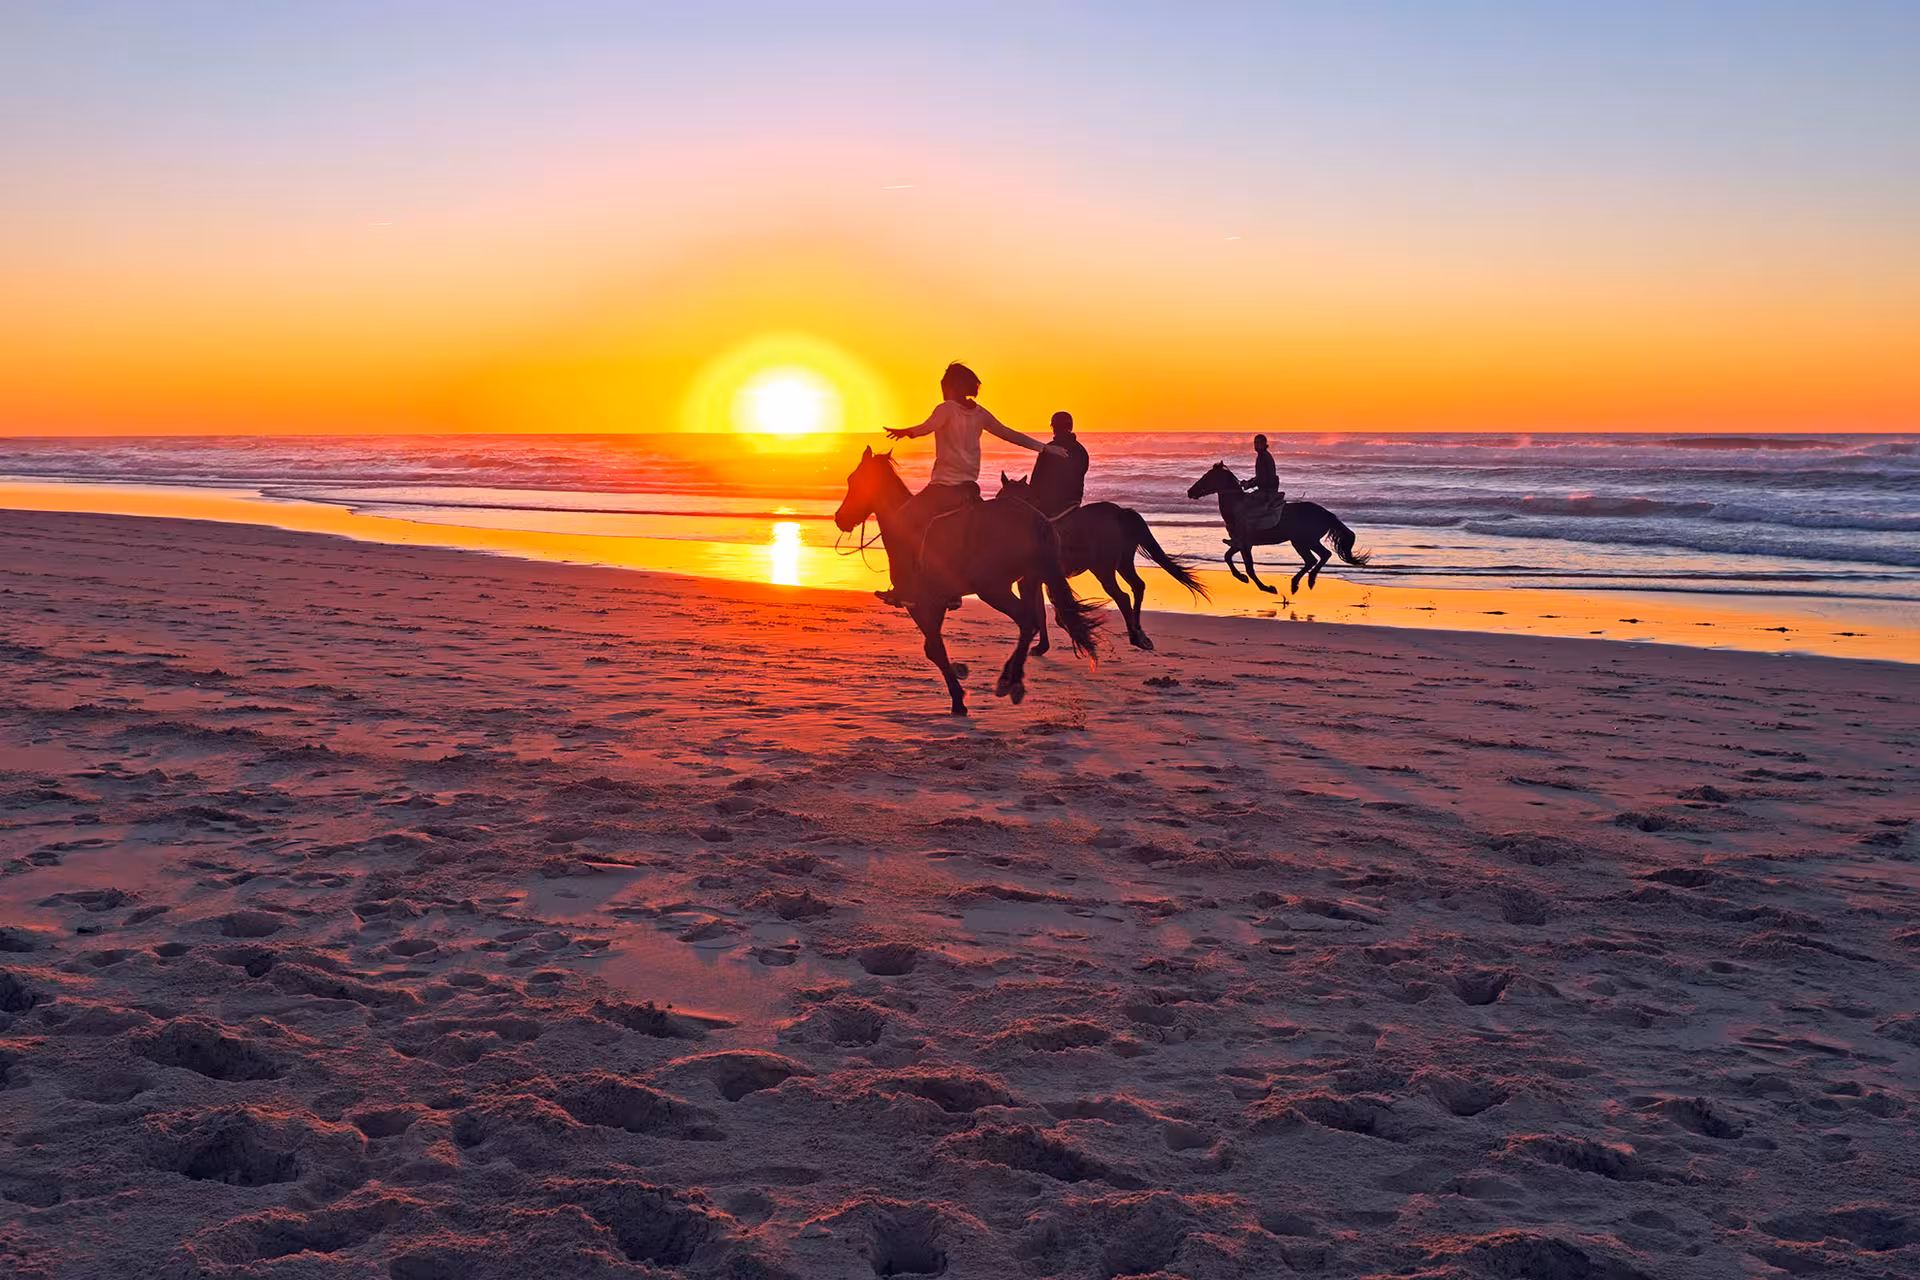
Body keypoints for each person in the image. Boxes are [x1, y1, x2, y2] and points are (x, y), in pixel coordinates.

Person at [877, 362, 1067, 608]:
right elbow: (1009, 434)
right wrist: (1045, 448)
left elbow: (927, 427)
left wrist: (907, 432)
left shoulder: (946, 408)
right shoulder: (980, 414)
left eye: (944, 388)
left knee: (898, 524)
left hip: (943, 489)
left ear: (953, 387)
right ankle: (952, 591)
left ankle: (904, 589)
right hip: (969, 490)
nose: (943, 393)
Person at [1026, 411, 1090, 518]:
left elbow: (1036, 479)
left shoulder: (1050, 449)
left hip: (1050, 505)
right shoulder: (1081, 450)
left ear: (1054, 427)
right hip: (1074, 502)